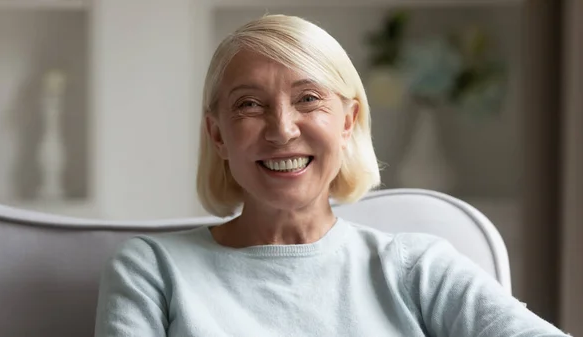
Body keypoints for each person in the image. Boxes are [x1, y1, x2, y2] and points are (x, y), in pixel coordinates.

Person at [94, 14, 569, 337]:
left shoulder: (418, 268)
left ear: (347, 122)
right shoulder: (151, 270)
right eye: (250, 105)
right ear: (217, 135)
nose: (283, 129)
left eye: (308, 99)